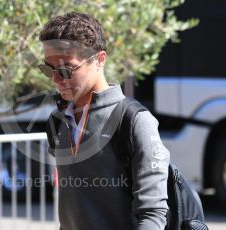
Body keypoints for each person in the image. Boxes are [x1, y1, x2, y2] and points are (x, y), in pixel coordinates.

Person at [39, 12, 170, 230]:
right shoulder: (57, 121)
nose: (56, 80)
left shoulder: (134, 120)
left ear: (99, 60)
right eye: (48, 69)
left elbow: (153, 214)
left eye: (65, 70)